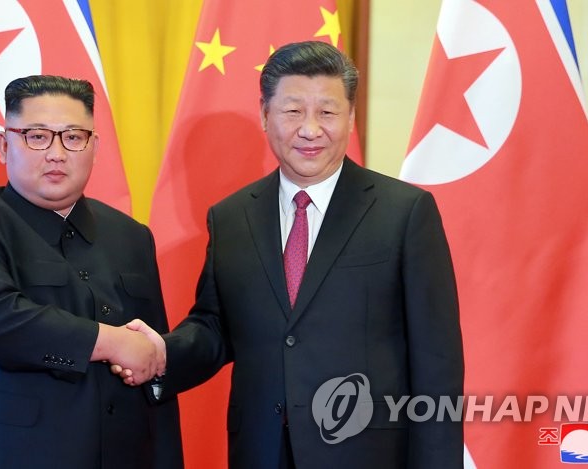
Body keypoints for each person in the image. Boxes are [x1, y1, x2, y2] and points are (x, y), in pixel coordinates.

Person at [120, 41, 464, 468]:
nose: (310, 129)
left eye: (327, 112)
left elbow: (437, 362)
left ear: (350, 117)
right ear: (266, 115)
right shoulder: (231, 218)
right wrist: (163, 354)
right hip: (261, 450)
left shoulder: (404, 213)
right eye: (293, 111)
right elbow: (215, 327)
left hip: (365, 452)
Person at [0, 75, 182, 469]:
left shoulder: (131, 236)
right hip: (6, 453)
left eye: (73, 137)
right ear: (4, 146)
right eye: (37, 137)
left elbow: (149, 361)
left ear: (94, 148)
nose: (57, 153)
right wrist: (111, 342)